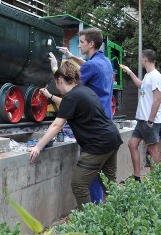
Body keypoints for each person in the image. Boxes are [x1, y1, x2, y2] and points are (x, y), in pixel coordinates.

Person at [30, 61, 123, 209]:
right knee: (109, 183)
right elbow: (68, 103)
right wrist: (50, 96)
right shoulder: (83, 91)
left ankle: (88, 223)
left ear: (60, 80)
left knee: (79, 185)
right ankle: (119, 216)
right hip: (112, 138)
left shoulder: (72, 97)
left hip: (98, 145)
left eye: (56, 83)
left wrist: (38, 146)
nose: (57, 87)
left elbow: (57, 125)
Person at [50, 27, 114, 203]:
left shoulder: (92, 66)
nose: (79, 45)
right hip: (106, 121)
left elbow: (68, 82)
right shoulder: (105, 61)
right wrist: (70, 56)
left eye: (82, 42)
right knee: (105, 174)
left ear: (91, 44)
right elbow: (88, 65)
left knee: (89, 171)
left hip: (92, 125)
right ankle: (106, 205)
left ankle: (94, 208)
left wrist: (56, 68)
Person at [121, 49, 161, 182]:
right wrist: (129, 72)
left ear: (145, 59)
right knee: (132, 144)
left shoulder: (156, 76)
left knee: (153, 149)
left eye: (141, 58)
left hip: (149, 120)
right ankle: (137, 177)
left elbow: (157, 99)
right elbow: (141, 85)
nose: (140, 60)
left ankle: (158, 180)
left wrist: (150, 120)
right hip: (142, 119)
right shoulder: (147, 76)